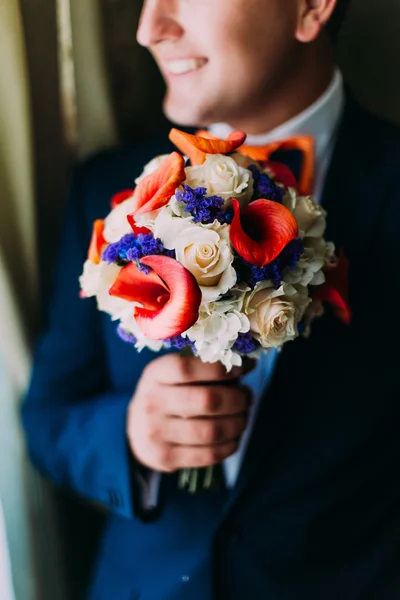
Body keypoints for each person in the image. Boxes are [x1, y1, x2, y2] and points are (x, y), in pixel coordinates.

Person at [22, 0, 400, 598]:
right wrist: (130, 436)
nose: (150, 29)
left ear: (310, 8)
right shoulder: (106, 189)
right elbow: (47, 417)